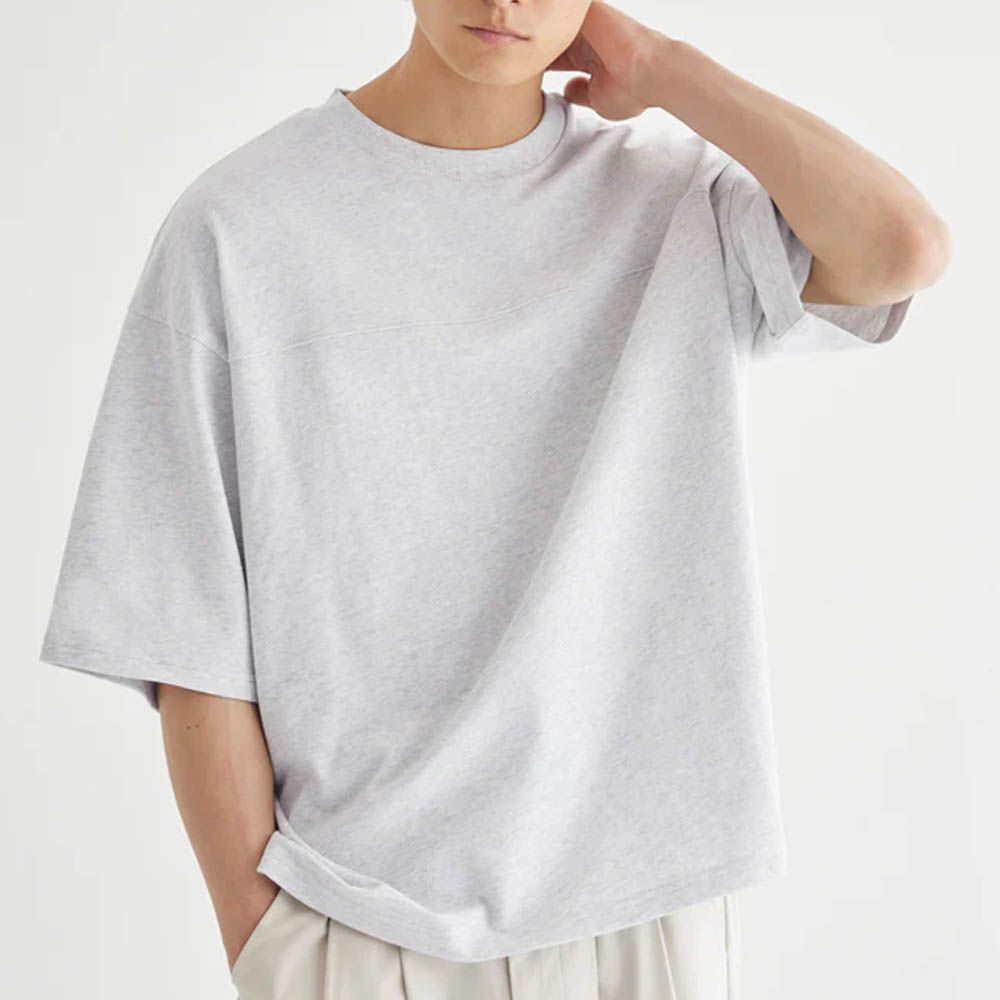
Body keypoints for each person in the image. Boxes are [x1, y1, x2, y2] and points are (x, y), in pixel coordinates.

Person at [38, 1, 950, 997]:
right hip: (360, 914)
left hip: (644, 914)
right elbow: (186, 627)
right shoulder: (238, 226)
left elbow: (900, 247)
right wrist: (270, 944)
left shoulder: (674, 199)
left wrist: (663, 67)